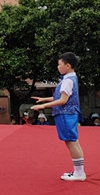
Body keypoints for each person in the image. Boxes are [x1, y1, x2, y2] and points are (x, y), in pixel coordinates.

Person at [31, 52, 86, 181]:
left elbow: (63, 100)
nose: (58, 67)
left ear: (68, 65)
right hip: (69, 113)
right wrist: (44, 99)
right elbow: (61, 97)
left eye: (59, 64)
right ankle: (79, 171)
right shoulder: (71, 78)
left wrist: (44, 106)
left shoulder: (67, 81)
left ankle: (79, 173)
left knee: (71, 142)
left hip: (66, 114)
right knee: (73, 142)